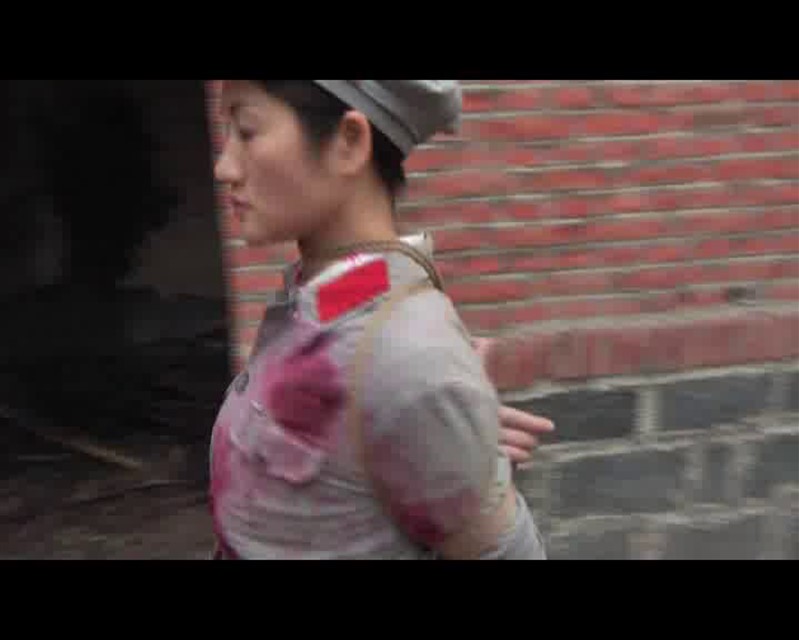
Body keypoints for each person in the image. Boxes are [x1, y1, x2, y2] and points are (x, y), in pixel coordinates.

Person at [210, 80, 552, 559]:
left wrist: (434, 403)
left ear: (349, 142)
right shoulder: (322, 300)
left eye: (247, 131)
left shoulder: (410, 354)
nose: (224, 167)